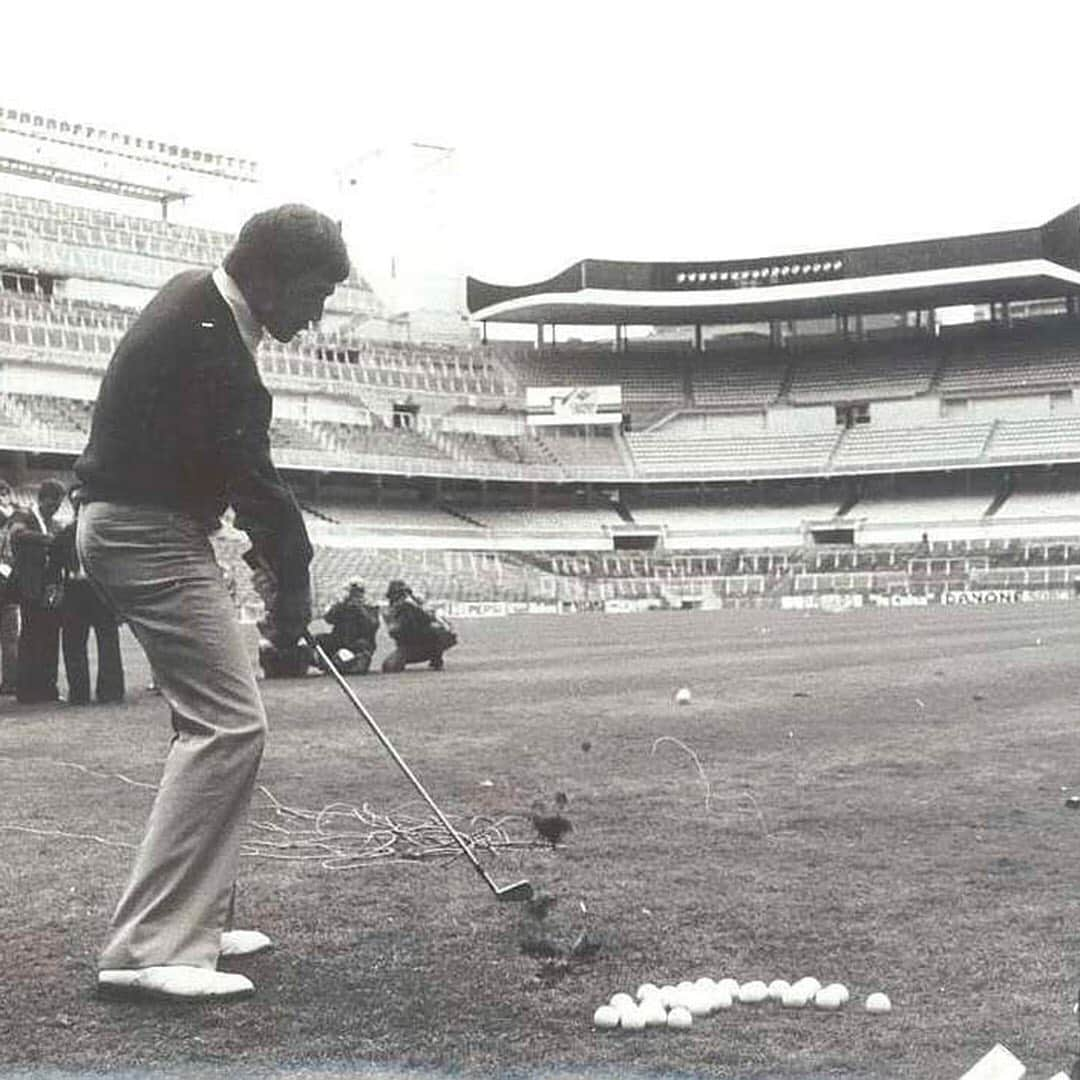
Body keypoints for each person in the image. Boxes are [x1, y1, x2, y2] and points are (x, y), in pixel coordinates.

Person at [72, 203, 350, 1002]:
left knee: (213, 718)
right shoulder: (215, 347)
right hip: (143, 533)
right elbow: (253, 482)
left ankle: (191, 921)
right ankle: (149, 948)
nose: (316, 312)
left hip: (148, 527)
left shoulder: (200, 306)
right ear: (266, 274)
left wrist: (275, 569)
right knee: (228, 722)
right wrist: (290, 586)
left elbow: (228, 474)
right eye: (314, 291)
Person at [52, 520, 125, 704]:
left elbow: (53, 565)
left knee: (78, 642)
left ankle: (82, 692)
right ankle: (107, 691)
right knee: (104, 640)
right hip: (93, 589)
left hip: (82, 589)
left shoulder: (66, 534)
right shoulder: (102, 533)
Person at [7, 478, 66, 703]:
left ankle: (48, 688)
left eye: (58, 506)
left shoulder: (54, 522)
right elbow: (17, 535)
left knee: (51, 637)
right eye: (52, 505)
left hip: (50, 587)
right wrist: (50, 540)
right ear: (42, 499)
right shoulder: (24, 516)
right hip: (30, 588)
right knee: (31, 638)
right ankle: (27, 690)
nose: (55, 509)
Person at [380, 578, 457, 673]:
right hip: (408, 644)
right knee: (389, 667)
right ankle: (434, 655)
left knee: (438, 631)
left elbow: (432, 619)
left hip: (423, 641)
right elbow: (394, 632)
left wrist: (416, 608)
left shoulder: (412, 606)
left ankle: (436, 656)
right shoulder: (392, 611)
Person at [315, 579, 380, 674]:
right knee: (318, 639)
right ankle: (327, 664)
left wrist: (360, 609)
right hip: (340, 639)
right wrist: (341, 606)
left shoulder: (370, 606)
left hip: (359, 641)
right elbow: (328, 619)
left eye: (357, 592)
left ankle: (356, 662)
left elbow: (373, 625)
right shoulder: (343, 605)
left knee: (361, 652)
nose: (354, 595)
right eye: (352, 592)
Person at [0, 480, 20, 694]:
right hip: (9, 583)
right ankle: (11, 681)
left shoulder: (13, 524)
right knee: (10, 637)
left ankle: (11, 680)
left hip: (6, 584)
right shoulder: (16, 522)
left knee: (10, 638)